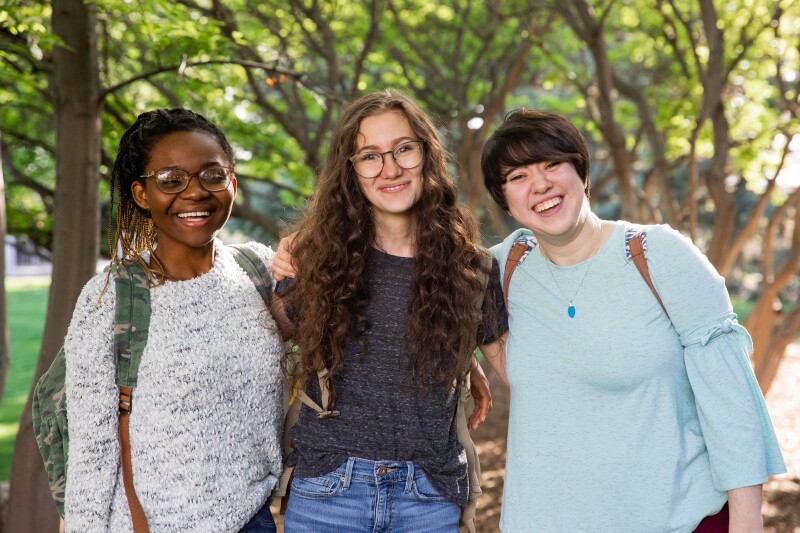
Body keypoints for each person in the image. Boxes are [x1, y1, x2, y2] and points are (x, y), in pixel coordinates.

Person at [480, 108, 786, 532]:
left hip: (676, 520)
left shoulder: (659, 255)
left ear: (581, 172)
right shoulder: (499, 271)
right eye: (517, 176)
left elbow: (732, 408)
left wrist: (747, 524)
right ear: (506, 201)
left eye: (553, 164)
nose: (540, 184)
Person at [269, 89, 508, 532]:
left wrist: (466, 360)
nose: (391, 169)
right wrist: (281, 283)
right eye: (369, 156)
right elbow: (278, 335)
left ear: (426, 154)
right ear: (351, 170)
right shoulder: (313, 258)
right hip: (328, 493)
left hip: (430, 496)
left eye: (403, 149)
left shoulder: (473, 268)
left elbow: (519, 368)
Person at [63, 108, 283, 532]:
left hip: (255, 519)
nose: (195, 192)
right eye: (171, 180)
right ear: (142, 195)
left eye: (212, 175)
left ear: (232, 184)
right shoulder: (110, 298)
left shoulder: (260, 271)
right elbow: (91, 452)